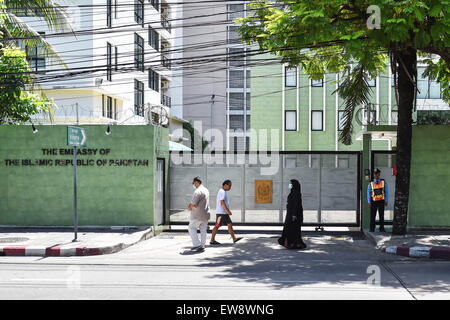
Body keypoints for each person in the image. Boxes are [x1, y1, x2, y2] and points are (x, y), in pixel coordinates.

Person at [210, 180, 242, 245]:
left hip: (224, 213)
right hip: (221, 213)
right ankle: (212, 240)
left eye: (231, 185)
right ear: (225, 185)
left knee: (229, 224)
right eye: (229, 185)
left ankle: (234, 238)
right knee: (217, 226)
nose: (230, 187)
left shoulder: (223, 191)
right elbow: (222, 202)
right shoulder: (222, 192)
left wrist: (227, 212)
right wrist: (228, 211)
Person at [278, 179, 306, 249]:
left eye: (290, 184)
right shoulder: (292, 192)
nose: (289, 185)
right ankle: (290, 243)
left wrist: (294, 214)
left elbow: (296, 205)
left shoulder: (296, 193)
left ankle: (293, 243)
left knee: (292, 229)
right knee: (289, 229)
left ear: (294, 185)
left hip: (293, 215)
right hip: (290, 213)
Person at [187, 177, 210, 252]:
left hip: (197, 214)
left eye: (193, 183)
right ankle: (202, 245)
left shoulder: (198, 191)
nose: (193, 185)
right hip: (205, 214)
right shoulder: (206, 190)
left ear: (196, 182)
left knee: (191, 228)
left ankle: (197, 244)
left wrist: (189, 208)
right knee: (203, 230)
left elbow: (193, 203)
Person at [367, 168, 388, 232]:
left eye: (378, 174)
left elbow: (386, 192)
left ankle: (382, 228)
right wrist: (369, 202)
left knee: (381, 215)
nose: (376, 175)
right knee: (372, 216)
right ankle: (372, 228)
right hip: (373, 201)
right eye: (375, 174)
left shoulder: (383, 182)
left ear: (379, 175)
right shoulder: (371, 184)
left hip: (381, 201)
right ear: (373, 175)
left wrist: (386, 200)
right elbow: (368, 193)